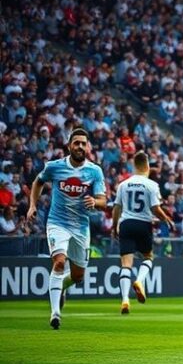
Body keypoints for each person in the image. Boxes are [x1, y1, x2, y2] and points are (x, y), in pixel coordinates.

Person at [26, 128, 106, 330]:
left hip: (81, 226)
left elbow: (103, 201)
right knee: (59, 263)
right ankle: (55, 314)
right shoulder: (54, 167)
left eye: (83, 143)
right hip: (57, 222)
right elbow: (38, 182)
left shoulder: (94, 171)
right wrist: (32, 205)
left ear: (87, 147)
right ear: (69, 145)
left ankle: (60, 287)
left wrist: (94, 201)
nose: (80, 146)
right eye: (76, 143)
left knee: (78, 276)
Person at [111, 152, 173, 314]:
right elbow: (155, 209)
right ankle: (139, 280)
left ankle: (125, 300)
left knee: (126, 264)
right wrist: (166, 219)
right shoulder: (151, 185)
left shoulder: (123, 184)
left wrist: (114, 226)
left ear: (134, 166)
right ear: (147, 166)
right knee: (148, 257)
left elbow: (116, 208)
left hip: (125, 224)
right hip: (143, 224)